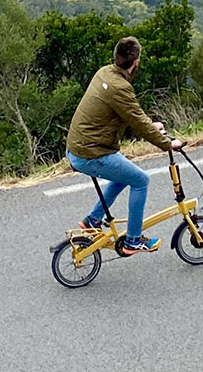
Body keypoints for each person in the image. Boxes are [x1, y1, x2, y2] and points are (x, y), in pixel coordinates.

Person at [65, 35, 184, 256]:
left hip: (77, 148)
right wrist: (168, 144)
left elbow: (132, 114)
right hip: (91, 153)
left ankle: (92, 220)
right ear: (136, 62)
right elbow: (136, 120)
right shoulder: (121, 87)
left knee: (123, 176)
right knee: (140, 180)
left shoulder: (105, 72)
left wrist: (151, 124)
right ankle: (133, 240)